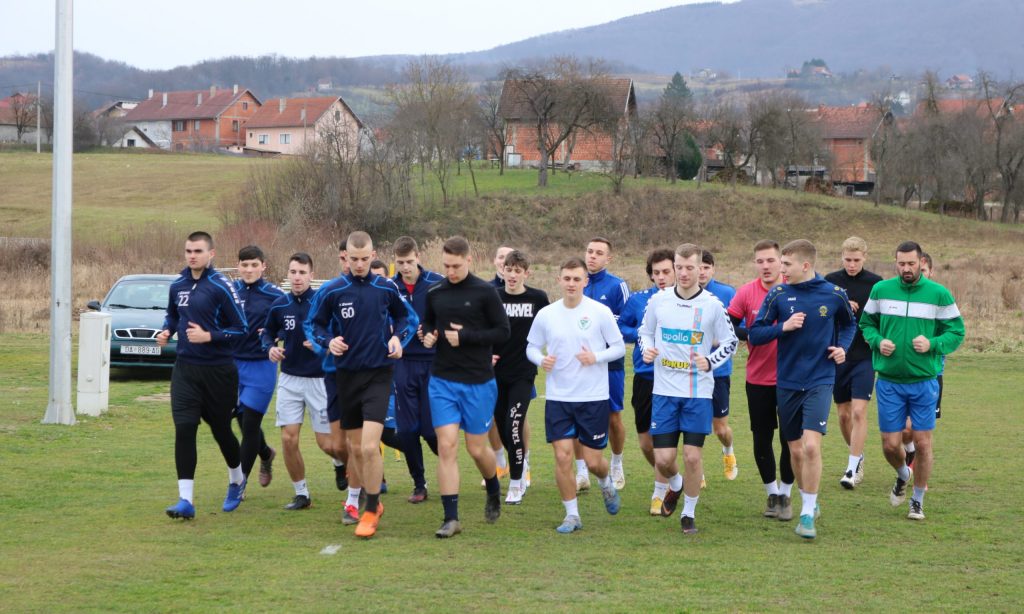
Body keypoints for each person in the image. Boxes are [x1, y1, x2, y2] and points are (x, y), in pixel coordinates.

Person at [306, 231, 418, 539]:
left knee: (369, 446)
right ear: (345, 257)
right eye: (353, 259)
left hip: (379, 375)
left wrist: (398, 338)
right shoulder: (332, 290)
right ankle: (369, 502)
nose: (358, 264)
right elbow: (312, 324)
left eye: (364, 259)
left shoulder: (386, 288)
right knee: (354, 448)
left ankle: (370, 508)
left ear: (373, 255)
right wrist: (328, 342)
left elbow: (409, 319)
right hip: (346, 376)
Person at [749, 239, 856, 540]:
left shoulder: (834, 295)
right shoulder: (778, 294)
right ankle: (811, 496)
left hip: (821, 379)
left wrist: (842, 349)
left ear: (805, 265)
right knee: (795, 450)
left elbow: (850, 325)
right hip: (787, 382)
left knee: (811, 446)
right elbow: (755, 334)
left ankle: (807, 513)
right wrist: (783, 328)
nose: (780, 270)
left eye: (786, 265)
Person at [860, 241, 964, 521]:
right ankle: (903, 473)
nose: (906, 268)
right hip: (889, 381)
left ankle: (917, 500)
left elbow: (956, 331)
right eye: (901, 264)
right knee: (889, 444)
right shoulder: (881, 290)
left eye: (911, 264)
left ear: (921, 263)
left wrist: (932, 343)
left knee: (923, 442)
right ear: (896, 263)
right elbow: (866, 324)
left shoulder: (939, 294)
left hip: (924, 381)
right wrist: (878, 341)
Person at [640, 244, 738, 535]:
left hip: (697, 394)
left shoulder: (712, 304)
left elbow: (730, 343)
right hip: (664, 392)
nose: (683, 273)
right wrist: (647, 349)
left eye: (689, 268)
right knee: (664, 459)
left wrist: (710, 361)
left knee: (693, 457)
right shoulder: (659, 301)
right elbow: (644, 333)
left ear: (700, 269)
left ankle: (689, 513)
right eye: (679, 267)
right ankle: (676, 484)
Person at [527, 257, 625, 533]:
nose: (571, 283)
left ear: (585, 281)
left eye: (576, 279)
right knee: (562, 457)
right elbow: (532, 346)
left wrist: (596, 357)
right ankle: (572, 515)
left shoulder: (600, 311)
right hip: (558, 398)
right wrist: (540, 359)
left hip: (593, 398)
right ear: (559, 280)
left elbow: (618, 347)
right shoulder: (547, 314)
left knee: (594, 462)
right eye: (566, 278)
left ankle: (605, 483)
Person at [421, 236, 511, 538]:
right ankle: (451, 518)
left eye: (456, 266)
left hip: (478, 382)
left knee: (476, 449)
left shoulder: (485, 292)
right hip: (442, 380)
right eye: (446, 266)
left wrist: (468, 336)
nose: (451, 271)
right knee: (446, 445)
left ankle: (494, 486)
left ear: (469, 261)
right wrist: (429, 337)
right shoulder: (434, 292)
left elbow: (503, 331)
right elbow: (428, 326)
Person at [158, 231, 248, 519]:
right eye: (188, 251)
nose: (192, 255)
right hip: (185, 369)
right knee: (185, 428)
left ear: (211, 255)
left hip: (218, 372)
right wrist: (167, 330)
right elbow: (173, 315)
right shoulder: (178, 285)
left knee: (222, 431)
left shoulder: (222, 286)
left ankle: (236, 479)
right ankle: (186, 500)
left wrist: (209, 336)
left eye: (198, 251)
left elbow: (241, 328)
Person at [261, 252, 340, 510]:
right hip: (289, 379)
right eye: (293, 272)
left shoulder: (322, 303)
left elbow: (336, 334)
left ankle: (341, 464)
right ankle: (301, 494)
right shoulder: (279, 305)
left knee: (328, 444)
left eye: (302, 273)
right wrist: (270, 348)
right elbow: (268, 333)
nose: (297, 278)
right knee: (288, 439)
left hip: (319, 380)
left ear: (312, 276)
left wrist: (322, 343)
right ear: (288, 274)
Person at [726, 240, 796, 520]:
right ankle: (772, 493)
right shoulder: (746, 292)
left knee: (791, 439)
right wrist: (751, 335)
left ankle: (787, 495)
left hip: (793, 380)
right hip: (758, 379)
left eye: (770, 260)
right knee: (762, 437)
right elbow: (729, 324)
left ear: (781, 262)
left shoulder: (795, 290)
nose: (765, 266)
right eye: (760, 261)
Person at [618, 247, 676, 514]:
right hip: (645, 375)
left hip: (674, 376)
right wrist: (642, 333)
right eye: (656, 273)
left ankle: (660, 491)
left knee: (664, 437)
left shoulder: (686, 301)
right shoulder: (639, 300)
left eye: (666, 271)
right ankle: (673, 476)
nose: (661, 277)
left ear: (677, 271)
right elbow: (621, 327)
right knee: (645, 441)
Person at [824, 237, 883, 489]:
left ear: (865, 257)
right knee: (843, 414)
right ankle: (857, 455)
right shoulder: (830, 281)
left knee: (859, 411)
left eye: (856, 260)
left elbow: (882, 317)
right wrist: (841, 305)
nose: (851, 264)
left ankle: (850, 469)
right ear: (841, 257)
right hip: (838, 356)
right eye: (847, 259)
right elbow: (822, 313)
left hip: (864, 356)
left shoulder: (876, 283)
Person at [493, 249, 549, 504]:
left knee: (514, 426)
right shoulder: (492, 296)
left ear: (527, 273)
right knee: (503, 428)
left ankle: (516, 483)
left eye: (518, 271)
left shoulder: (538, 299)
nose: (512, 275)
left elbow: (554, 328)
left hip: (523, 375)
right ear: (502, 270)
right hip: (494, 375)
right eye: (509, 269)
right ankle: (521, 460)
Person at [392, 236, 444, 504]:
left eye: (410, 262)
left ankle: (448, 464)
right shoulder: (390, 287)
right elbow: (383, 320)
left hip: (433, 363)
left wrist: (436, 332)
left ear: (419, 257)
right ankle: (419, 483)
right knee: (407, 430)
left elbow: (451, 318)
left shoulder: (437, 283)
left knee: (431, 431)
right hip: (403, 363)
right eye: (400, 263)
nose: (406, 268)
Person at [578, 237, 630, 492]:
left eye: (599, 253)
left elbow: (625, 322)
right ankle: (580, 473)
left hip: (609, 363)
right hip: (579, 362)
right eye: (589, 251)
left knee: (613, 416)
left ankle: (617, 463)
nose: (592, 256)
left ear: (608, 258)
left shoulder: (617, 286)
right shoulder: (578, 282)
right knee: (576, 414)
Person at [233, 245, 285, 495]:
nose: (249, 269)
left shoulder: (274, 295)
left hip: (262, 365)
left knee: (251, 424)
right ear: (238, 267)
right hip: (232, 365)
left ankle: (238, 485)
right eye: (245, 265)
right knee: (241, 421)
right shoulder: (229, 291)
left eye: (254, 265)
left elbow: (289, 323)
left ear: (263, 266)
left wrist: (276, 335)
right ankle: (265, 453)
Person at [698, 250, 739, 482]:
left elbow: (736, 330)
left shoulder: (726, 292)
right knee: (696, 425)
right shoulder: (682, 294)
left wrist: (717, 340)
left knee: (720, 428)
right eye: (698, 267)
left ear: (713, 269)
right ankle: (697, 470)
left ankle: (728, 452)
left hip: (718, 371)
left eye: (706, 267)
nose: (702, 271)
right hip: (690, 372)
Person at [486, 245, 515, 478]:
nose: (504, 262)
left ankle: (523, 464)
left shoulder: (528, 294)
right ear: (495, 261)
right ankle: (499, 462)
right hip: (489, 364)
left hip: (517, 364)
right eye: (501, 257)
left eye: (509, 258)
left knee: (518, 416)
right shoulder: (484, 290)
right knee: (492, 416)